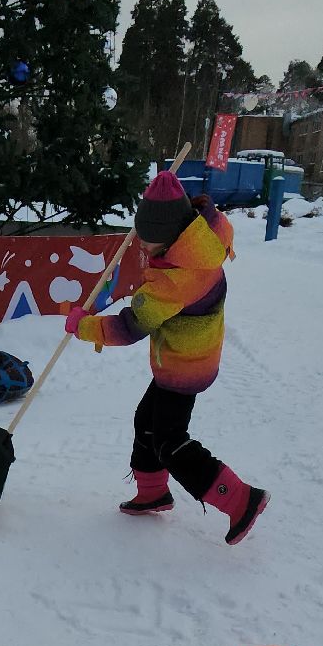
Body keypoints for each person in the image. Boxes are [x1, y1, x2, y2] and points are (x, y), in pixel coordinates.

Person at [64, 170, 270, 545]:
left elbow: (131, 326)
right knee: (147, 420)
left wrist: (85, 327)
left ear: (169, 238)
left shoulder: (176, 280)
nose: (143, 248)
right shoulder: (199, 239)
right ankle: (153, 492)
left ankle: (241, 499)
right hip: (185, 355)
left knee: (170, 442)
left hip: (184, 366)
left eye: (148, 242)